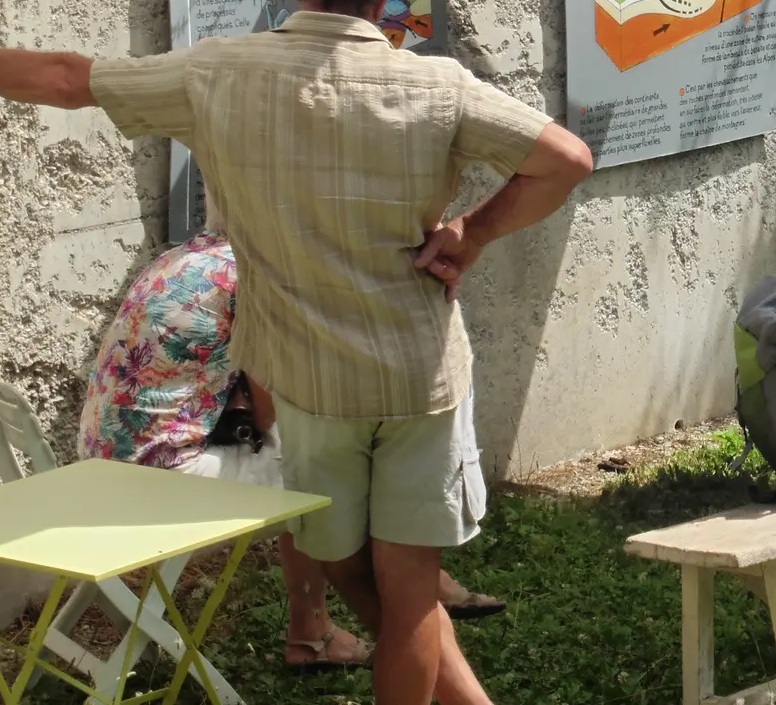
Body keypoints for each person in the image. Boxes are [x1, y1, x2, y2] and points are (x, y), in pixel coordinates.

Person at [0, 0, 595, 705]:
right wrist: (473, 230)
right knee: (410, 590)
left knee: (359, 572)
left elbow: (65, 79)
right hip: (419, 375)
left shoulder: (219, 72)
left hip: (309, 385)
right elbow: (566, 159)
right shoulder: (435, 84)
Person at [75, 222, 505, 676]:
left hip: (103, 462)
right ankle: (318, 630)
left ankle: (369, 606)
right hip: (161, 482)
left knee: (303, 453)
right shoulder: (255, 280)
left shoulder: (185, 258)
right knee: (311, 465)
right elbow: (269, 409)